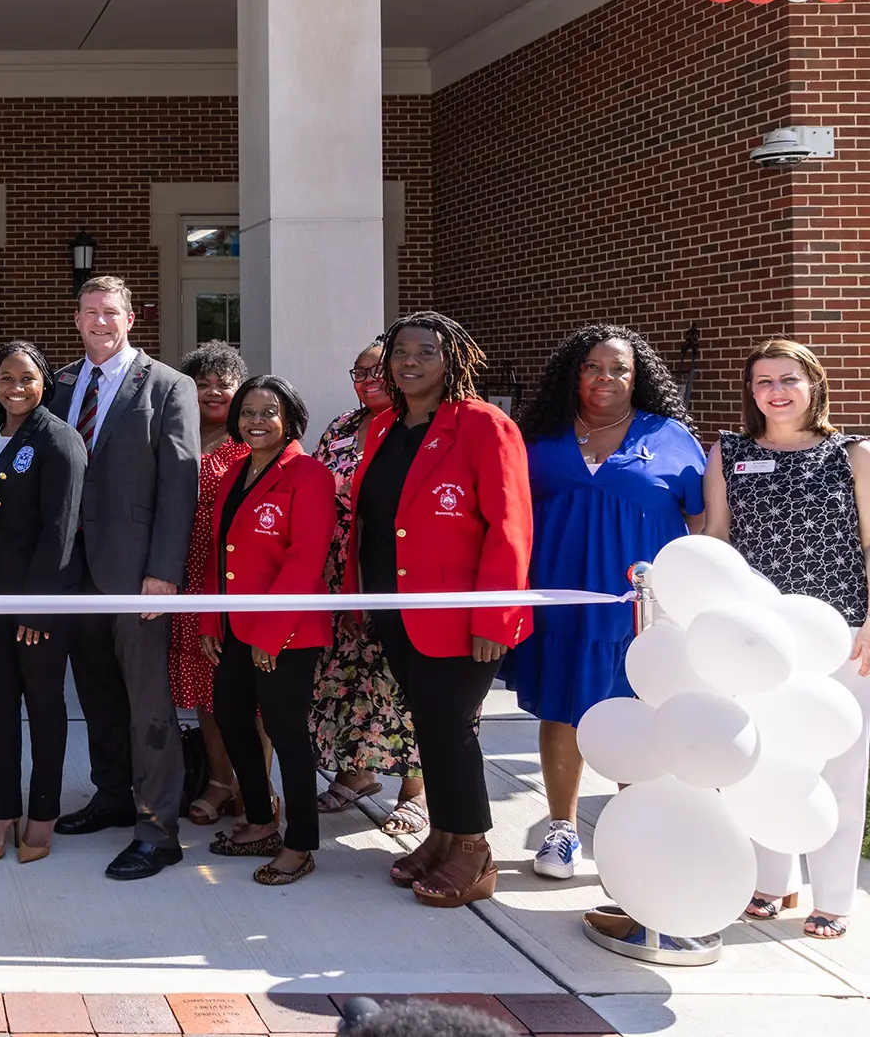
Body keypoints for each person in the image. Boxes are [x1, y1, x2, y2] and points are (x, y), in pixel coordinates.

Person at [347, 312, 532, 909]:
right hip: (395, 609)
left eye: (424, 351)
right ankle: (445, 835)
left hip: (460, 617)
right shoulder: (384, 428)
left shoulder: (484, 426)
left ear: (451, 359)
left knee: (451, 728)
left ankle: (475, 851)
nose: (409, 362)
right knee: (428, 724)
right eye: (399, 351)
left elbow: (510, 529)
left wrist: (493, 619)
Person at [506, 326, 705, 881]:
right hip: (559, 600)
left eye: (618, 368)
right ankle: (561, 831)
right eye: (593, 367)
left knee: (634, 718)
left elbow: (701, 524)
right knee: (561, 710)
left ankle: (637, 832)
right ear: (574, 373)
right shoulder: (539, 437)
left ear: (637, 377)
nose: (605, 378)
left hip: (636, 611)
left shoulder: (669, 436)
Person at [710, 339, 870, 940]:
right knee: (761, 761)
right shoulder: (729, 452)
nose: (775, 391)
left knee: (841, 765)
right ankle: (772, 882)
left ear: (814, 385)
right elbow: (719, 540)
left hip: (842, 633)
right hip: (759, 638)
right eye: (761, 382)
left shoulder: (852, 453)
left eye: (788, 379)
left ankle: (834, 897)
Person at [49, 277, 201, 881]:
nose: (99, 322)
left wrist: (164, 572)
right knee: (96, 693)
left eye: (110, 312)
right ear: (77, 319)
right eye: (89, 312)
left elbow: (179, 486)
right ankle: (112, 796)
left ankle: (158, 829)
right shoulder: (61, 384)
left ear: (131, 318)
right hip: (75, 571)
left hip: (138, 573)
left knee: (147, 703)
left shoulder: (168, 386)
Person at [193, 376, 336, 886]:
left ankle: (300, 843)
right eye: (248, 411)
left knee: (286, 734)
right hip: (234, 628)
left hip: (286, 633)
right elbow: (219, 551)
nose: (256, 420)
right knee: (231, 718)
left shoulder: (310, 475)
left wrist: (270, 636)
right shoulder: (234, 472)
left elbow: (304, 560)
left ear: (290, 418)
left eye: (268, 411)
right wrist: (211, 618)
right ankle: (260, 818)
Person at [0, 341, 84, 865]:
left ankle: (42, 814)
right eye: (5, 379)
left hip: (38, 605)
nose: (16, 388)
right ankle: (0, 815)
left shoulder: (60, 439)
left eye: (26, 378)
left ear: (45, 382)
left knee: (43, 708)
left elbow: (61, 532)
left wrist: (39, 607)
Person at [310, 339, 427, 836]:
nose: (368, 378)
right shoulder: (340, 426)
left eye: (378, 369)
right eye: (358, 371)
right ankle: (356, 773)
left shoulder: (419, 428)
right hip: (338, 577)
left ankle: (417, 791)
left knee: (407, 680)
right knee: (347, 679)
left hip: (396, 574)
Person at [171, 340, 248, 825]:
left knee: (243, 697)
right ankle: (220, 780)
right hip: (186, 579)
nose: (215, 391)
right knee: (204, 691)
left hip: (234, 581)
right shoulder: (178, 436)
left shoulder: (252, 441)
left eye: (225, 383)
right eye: (203, 384)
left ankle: (253, 788)